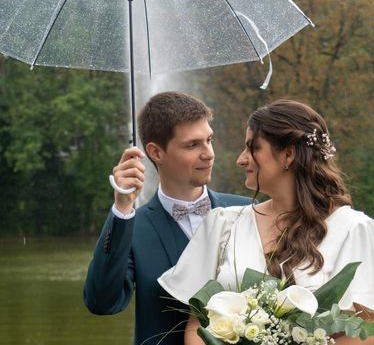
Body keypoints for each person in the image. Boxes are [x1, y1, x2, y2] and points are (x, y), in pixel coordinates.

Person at [158, 99, 374, 345]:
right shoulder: (222, 224)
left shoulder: (355, 231)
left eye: (253, 147)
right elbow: (196, 326)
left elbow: (373, 335)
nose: (241, 159)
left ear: (288, 154)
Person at [83, 91, 252, 345]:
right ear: (156, 152)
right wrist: (122, 208)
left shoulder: (247, 211)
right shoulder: (132, 226)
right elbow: (102, 302)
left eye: (209, 140)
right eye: (192, 145)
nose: (208, 153)